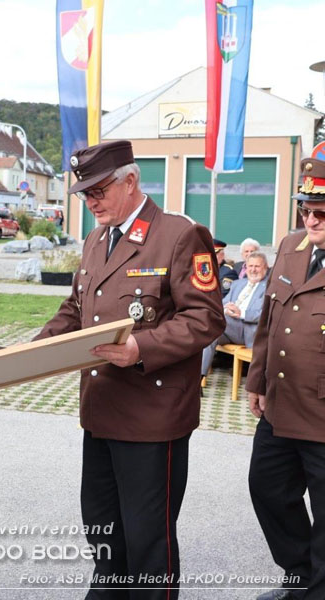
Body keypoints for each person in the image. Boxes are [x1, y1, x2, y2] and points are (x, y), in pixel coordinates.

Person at [35, 140, 226, 599]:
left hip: (151, 417)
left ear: (131, 181)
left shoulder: (179, 234)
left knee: (147, 542)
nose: (91, 202)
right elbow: (76, 306)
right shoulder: (95, 238)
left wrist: (142, 346)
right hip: (100, 412)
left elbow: (206, 318)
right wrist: (34, 350)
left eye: (99, 190)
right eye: (84, 194)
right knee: (102, 529)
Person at [246, 157, 325, 600]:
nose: (310, 220)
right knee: (268, 489)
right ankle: (299, 575)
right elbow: (269, 321)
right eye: (305, 209)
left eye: (321, 212)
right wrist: (256, 380)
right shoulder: (293, 245)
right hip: (280, 404)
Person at [200, 252, 269, 377]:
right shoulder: (238, 283)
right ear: (246, 268)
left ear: (265, 267)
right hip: (229, 328)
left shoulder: (270, 287)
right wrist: (226, 309)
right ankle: (198, 378)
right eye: (250, 266)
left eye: (257, 266)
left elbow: (265, 314)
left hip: (249, 332)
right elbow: (223, 304)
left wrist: (241, 313)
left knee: (209, 323)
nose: (253, 270)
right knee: (209, 333)